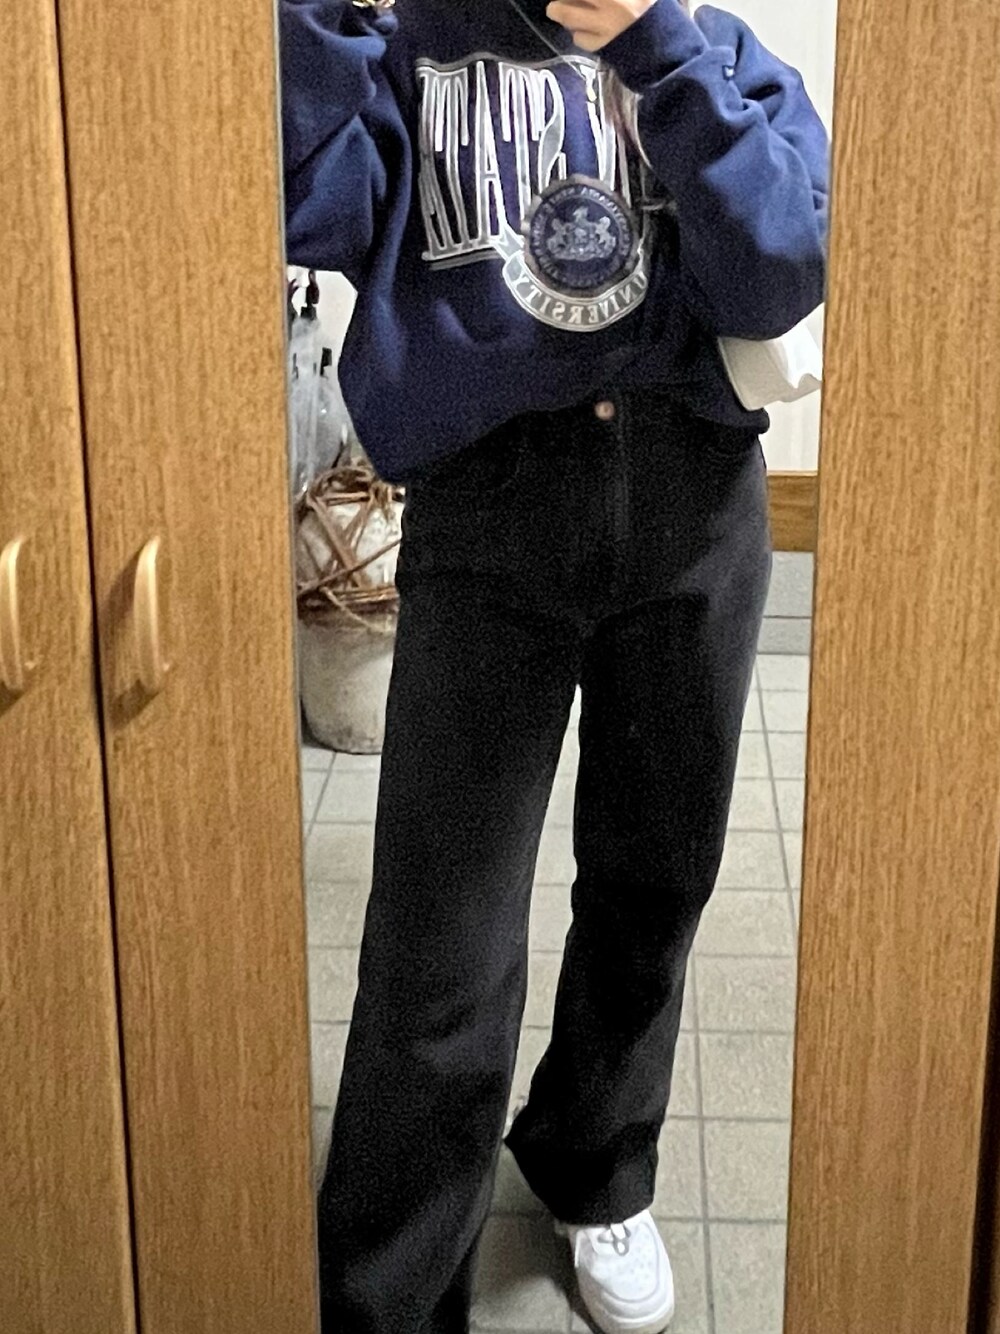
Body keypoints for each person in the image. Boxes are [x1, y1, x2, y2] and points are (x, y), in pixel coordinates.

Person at [280, 0, 828, 1330]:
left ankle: (597, 1163)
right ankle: (395, 1282)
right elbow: (302, 199)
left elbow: (781, 268)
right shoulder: (408, 43)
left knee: (656, 878)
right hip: (488, 510)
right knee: (442, 933)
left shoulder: (714, 50)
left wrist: (652, 46)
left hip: (696, 501)